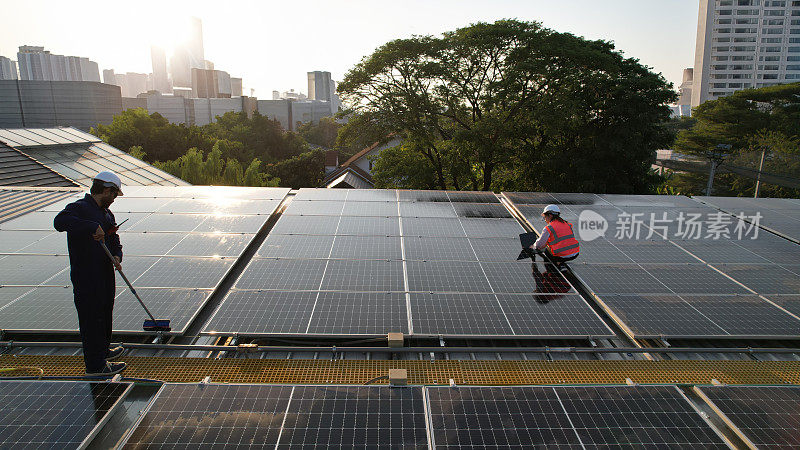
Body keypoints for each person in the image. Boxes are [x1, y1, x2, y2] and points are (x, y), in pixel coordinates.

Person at [54, 171, 126, 376]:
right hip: (87, 276)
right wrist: (91, 226)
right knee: (92, 319)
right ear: (105, 190)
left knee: (105, 314)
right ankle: (95, 366)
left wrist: (117, 256)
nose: (114, 199)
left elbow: (114, 238)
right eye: (113, 194)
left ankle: (103, 351)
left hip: (104, 273)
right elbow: (59, 222)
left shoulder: (106, 213)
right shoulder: (79, 208)